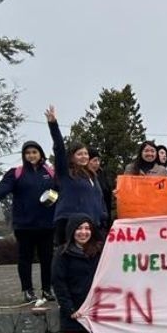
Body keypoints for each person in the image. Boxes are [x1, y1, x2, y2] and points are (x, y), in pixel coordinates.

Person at [0, 140, 56, 302]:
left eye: (34, 152)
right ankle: (27, 290)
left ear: (40, 153)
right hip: (24, 225)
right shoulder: (16, 173)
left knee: (47, 258)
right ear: (24, 155)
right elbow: (2, 189)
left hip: (47, 224)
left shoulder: (50, 172)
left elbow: (60, 190)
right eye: (28, 153)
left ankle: (47, 289)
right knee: (25, 258)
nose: (31, 155)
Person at [43, 214, 105, 333]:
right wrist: (70, 309)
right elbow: (59, 284)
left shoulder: (100, 252)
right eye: (79, 228)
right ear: (71, 231)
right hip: (74, 311)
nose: (83, 232)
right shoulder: (62, 254)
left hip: (95, 309)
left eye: (87, 228)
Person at [46, 105, 107, 246]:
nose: (83, 156)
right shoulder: (65, 172)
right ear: (72, 157)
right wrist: (53, 125)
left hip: (91, 224)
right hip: (69, 222)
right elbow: (59, 148)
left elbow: (98, 199)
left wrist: (102, 216)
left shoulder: (92, 175)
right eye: (79, 154)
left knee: (91, 261)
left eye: (85, 154)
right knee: (69, 260)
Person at [86, 148, 113, 230]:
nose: (97, 163)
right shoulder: (80, 176)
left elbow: (107, 192)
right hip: (87, 218)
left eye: (98, 160)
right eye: (94, 160)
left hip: (103, 217)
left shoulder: (102, 174)